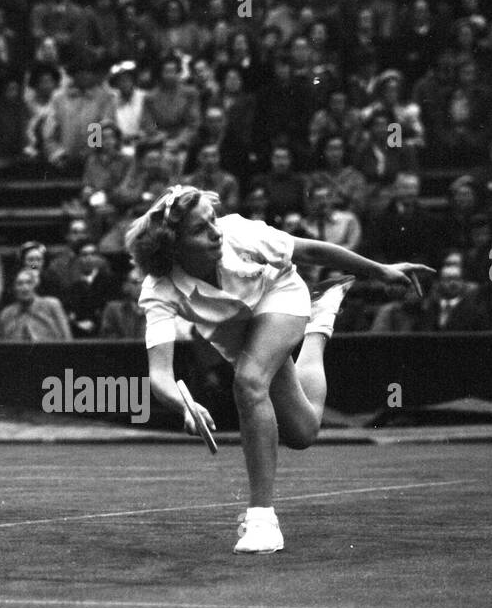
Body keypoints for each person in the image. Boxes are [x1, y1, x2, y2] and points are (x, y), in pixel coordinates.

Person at [127, 185, 431, 554]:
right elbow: (159, 374)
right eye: (199, 229)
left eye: (212, 220)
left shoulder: (240, 233)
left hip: (281, 297)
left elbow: (312, 249)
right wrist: (183, 406)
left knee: (249, 382)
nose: (215, 232)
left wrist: (379, 271)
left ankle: (261, 519)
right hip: (240, 336)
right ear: (170, 247)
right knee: (303, 431)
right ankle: (321, 323)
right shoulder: (158, 290)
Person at [0, 268, 71, 341]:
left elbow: (67, 337)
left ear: (35, 286)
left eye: (29, 283)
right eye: (20, 284)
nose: (25, 288)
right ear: (14, 288)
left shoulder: (51, 306)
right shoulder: (6, 314)